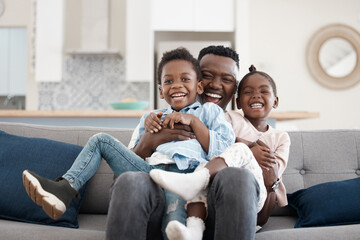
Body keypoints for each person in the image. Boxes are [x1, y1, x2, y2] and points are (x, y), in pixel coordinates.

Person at [22, 47, 235, 238]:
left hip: (184, 178)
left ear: (198, 86)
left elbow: (226, 150)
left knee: (173, 227)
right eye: (168, 81)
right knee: (100, 140)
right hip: (150, 174)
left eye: (185, 79)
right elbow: (124, 173)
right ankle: (65, 189)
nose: (176, 85)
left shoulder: (210, 112)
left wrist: (194, 122)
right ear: (161, 90)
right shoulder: (151, 117)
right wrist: (149, 140)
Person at [107, 45, 288, 240]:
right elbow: (120, 181)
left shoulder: (243, 127)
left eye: (226, 79)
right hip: (158, 209)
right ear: (197, 79)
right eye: (207, 75)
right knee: (130, 180)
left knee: (238, 177)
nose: (215, 85)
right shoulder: (158, 120)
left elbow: (260, 214)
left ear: (235, 89)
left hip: (220, 217)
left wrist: (269, 177)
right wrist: (149, 142)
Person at [147, 64, 290, 240]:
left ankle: (197, 179)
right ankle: (193, 231)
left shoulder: (280, 137)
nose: (256, 95)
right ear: (238, 102)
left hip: (257, 195)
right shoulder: (230, 118)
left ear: (275, 101)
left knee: (238, 151)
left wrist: (251, 151)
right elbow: (219, 140)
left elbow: (272, 174)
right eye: (248, 92)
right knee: (202, 167)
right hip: (219, 189)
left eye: (264, 91)